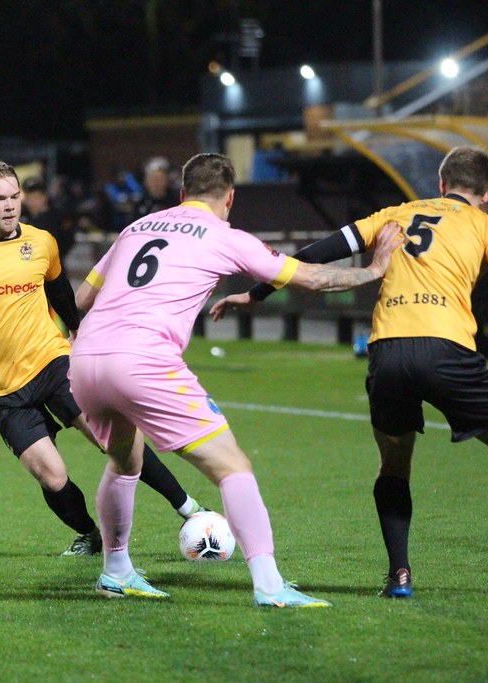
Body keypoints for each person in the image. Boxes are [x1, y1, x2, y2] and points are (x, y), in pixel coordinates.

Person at [70, 152, 402, 604]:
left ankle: (116, 570)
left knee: (125, 462)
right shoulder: (225, 235)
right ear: (230, 197)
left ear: (182, 194)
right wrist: (375, 269)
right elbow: (312, 279)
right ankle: (269, 586)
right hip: (142, 359)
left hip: (86, 358)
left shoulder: (136, 228)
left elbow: (83, 297)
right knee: (233, 467)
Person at [210, 146, 488, 599]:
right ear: (486, 194)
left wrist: (256, 294)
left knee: (394, 468)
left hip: (388, 352)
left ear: (442, 184)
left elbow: (318, 251)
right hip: (447, 350)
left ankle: (399, 575)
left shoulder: (394, 214)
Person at [0, 159, 206, 557]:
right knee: (51, 475)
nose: (9, 206)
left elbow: (60, 293)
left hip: (54, 362)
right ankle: (90, 536)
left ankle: (190, 510)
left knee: (112, 439)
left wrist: (79, 332)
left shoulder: (41, 242)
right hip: (2, 388)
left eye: (14, 196)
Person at [21, 176, 75, 267]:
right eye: (29, 198)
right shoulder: (23, 217)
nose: (32, 202)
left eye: (36, 197)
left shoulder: (56, 218)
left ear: (44, 197)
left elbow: (67, 241)